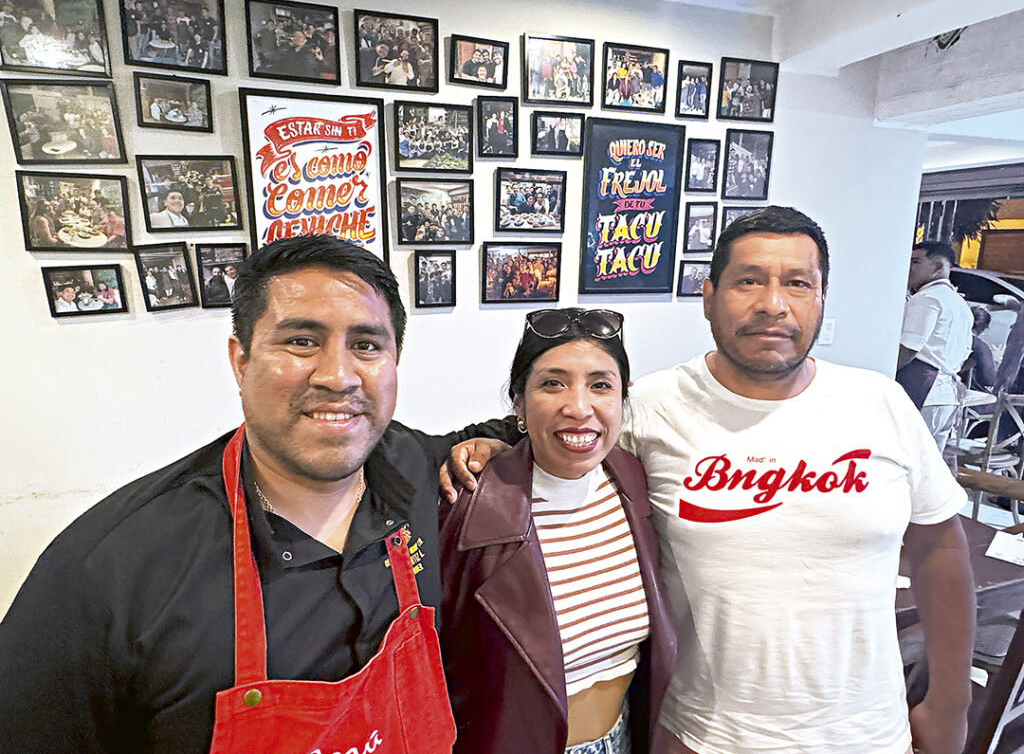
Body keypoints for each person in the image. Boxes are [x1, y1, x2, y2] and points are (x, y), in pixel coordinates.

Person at [444, 206, 976, 754]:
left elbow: (940, 550)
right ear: (708, 296)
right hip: (699, 735)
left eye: (798, 283)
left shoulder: (881, 402)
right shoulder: (651, 407)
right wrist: (502, 449)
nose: (773, 303)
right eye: (749, 280)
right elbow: (573, 439)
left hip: (866, 734)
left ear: (821, 298)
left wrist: (949, 701)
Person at [0, 234, 516, 754]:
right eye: (300, 341)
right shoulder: (105, 574)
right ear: (240, 361)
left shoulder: (415, 465)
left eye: (366, 345)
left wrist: (492, 443)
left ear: (394, 361)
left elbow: (529, 429)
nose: (338, 377)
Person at [440, 308, 674, 754]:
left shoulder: (638, 483)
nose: (579, 407)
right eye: (553, 383)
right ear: (518, 404)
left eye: (600, 385)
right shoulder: (469, 503)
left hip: (623, 739)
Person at [897, 242, 974, 453]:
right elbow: (967, 354)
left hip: (923, 389)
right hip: (947, 397)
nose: (909, 267)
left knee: (907, 459)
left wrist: (883, 377)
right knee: (929, 465)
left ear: (938, 268)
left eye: (916, 262)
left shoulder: (927, 299)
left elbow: (908, 349)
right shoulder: (961, 305)